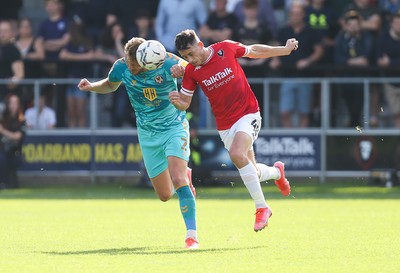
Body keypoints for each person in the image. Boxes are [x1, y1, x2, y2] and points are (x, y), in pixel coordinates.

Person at [78, 37, 199, 249]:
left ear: (146, 59)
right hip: (147, 134)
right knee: (164, 195)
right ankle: (184, 178)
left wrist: (185, 75)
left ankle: (191, 236)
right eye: (129, 62)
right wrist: (91, 86)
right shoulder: (121, 66)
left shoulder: (168, 62)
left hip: (174, 127)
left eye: (134, 64)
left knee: (178, 178)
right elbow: (110, 85)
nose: (131, 67)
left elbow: (196, 70)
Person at [173, 29, 297, 232]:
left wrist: (284, 50)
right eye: (185, 57)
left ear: (201, 45)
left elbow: (254, 51)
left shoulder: (225, 49)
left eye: (191, 54)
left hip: (249, 114)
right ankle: (276, 172)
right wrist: (177, 101)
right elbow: (185, 102)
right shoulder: (191, 72)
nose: (190, 59)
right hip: (225, 125)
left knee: (237, 154)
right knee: (252, 172)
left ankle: (262, 207)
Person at [59, 21, 95, 127]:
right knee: (71, 113)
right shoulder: (69, 44)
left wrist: (71, 57)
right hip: (70, 81)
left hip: (82, 82)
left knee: (80, 112)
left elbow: (90, 56)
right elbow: (62, 55)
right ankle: (72, 139)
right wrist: (78, 56)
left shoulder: (86, 43)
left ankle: (81, 137)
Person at [377, 11, 400, 127]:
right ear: (391, 23)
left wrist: (391, 62)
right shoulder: (383, 37)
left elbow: (386, 62)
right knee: (397, 114)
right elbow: (379, 60)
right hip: (390, 81)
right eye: (397, 22)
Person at [0, 94, 26, 189]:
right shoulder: (3, 118)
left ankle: (5, 183)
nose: (13, 105)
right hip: (2, 150)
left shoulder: (21, 119)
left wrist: (3, 131)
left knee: (3, 159)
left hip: (15, 152)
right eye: (11, 103)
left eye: (16, 103)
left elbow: (17, 136)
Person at [0, 20, 24, 102]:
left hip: (7, 96)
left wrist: (12, 82)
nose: (2, 33)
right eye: (0, 31)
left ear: (10, 33)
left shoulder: (13, 50)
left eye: (5, 31)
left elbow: (19, 74)